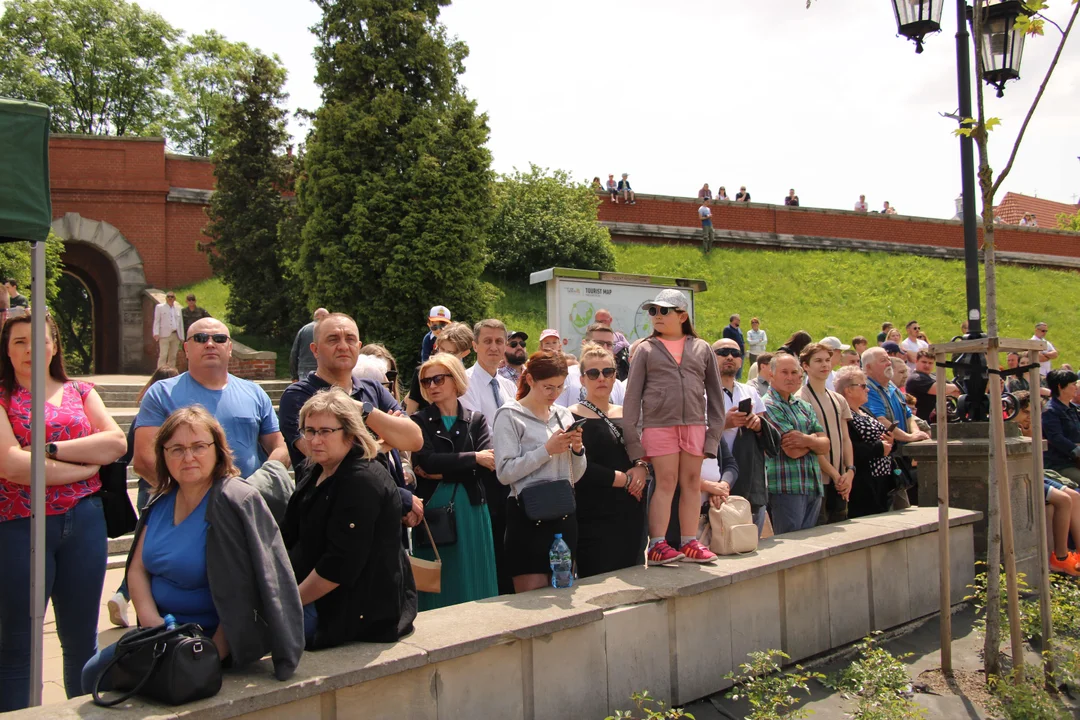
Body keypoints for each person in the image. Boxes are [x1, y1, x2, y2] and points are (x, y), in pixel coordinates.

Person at [82, 407, 304, 694]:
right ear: (163, 455)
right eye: (176, 449)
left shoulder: (235, 500)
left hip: (211, 643)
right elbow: (137, 569)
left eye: (199, 446)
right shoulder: (160, 500)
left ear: (217, 450)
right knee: (93, 674)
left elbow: (249, 591)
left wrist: (210, 653)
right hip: (161, 635)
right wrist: (153, 625)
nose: (188, 457)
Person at [0, 310, 127, 710]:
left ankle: (83, 712)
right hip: (21, 525)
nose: (30, 350)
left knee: (81, 639)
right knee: (18, 641)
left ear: (55, 345)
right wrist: (84, 468)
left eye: (39, 340)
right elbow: (10, 465)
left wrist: (49, 451)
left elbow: (115, 444)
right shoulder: (2, 396)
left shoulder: (82, 391)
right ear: (6, 350)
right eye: (19, 341)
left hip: (84, 523)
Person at [284, 387, 418, 647]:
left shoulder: (362, 480)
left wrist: (286, 602)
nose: (314, 440)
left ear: (350, 433)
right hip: (311, 594)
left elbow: (340, 565)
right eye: (309, 431)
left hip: (350, 610)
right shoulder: (315, 469)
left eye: (325, 431)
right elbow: (288, 532)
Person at [277, 313, 424, 528]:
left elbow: (414, 439)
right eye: (333, 339)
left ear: (359, 345)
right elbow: (324, 457)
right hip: (331, 520)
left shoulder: (373, 390)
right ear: (315, 350)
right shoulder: (298, 396)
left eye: (350, 339)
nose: (343, 346)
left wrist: (363, 411)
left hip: (386, 519)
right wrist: (386, 442)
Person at [623, 289, 723, 565]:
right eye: (652, 311)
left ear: (682, 315)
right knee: (665, 482)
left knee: (691, 483)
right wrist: (634, 442)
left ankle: (690, 542)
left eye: (663, 311)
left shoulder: (702, 348)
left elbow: (715, 397)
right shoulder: (644, 348)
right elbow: (631, 398)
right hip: (658, 425)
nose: (656, 316)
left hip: (695, 426)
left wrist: (713, 437)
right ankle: (657, 545)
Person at [135, 318, 289, 482]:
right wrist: (189, 495)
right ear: (186, 348)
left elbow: (280, 447)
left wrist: (260, 485)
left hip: (246, 501)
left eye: (219, 339)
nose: (209, 344)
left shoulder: (255, 393)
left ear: (229, 348)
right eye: (200, 338)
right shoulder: (161, 393)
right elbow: (145, 460)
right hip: (185, 504)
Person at [410, 353, 499, 607]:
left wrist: (443, 468)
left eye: (438, 379)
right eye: (426, 382)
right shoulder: (419, 421)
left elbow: (488, 465)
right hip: (436, 510)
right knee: (442, 579)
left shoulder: (476, 419)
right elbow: (425, 462)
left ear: (456, 379)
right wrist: (474, 458)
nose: (432, 386)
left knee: (476, 575)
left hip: (472, 507)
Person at [493, 351, 586, 592]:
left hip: (564, 515)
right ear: (530, 380)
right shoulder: (509, 415)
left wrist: (577, 449)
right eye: (547, 387)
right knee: (532, 600)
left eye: (559, 387)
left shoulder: (563, 414)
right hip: (527, 517)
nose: (554, 394)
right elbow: (504, 472)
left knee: (565, 593)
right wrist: (547, 450)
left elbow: (576, 475)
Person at [106, 366, 180, 628]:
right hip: (163, 489)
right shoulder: (169, 414)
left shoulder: (142, 416)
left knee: (144, 550)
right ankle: (126, 595)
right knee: (151, 553)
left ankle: (123, 594)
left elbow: (126, 455)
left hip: (144, 489)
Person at [567, 344, 648, 576]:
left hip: (632, 506)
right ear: (582, 379)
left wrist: (641, 468)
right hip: (593, 510)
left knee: (633, 575)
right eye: (593, 373)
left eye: (608, 372)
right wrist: (622, 479)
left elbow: (644, 451)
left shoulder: (629, 412)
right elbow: (577, 465)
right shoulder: (570, 415)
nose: (601, 378)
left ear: (615, 376)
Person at [459, 318, 519, 593]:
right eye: (487, 341)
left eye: (499, 341)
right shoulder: (465, 383)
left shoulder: (508, 386)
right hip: (485, 474)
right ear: (474, 345)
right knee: (492, 540)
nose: (494, 347)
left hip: (512, 473)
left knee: (510, 542)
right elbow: (477, 431)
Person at [1012, 390, 1080, 575]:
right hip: (1021, 475)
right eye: (1025, 412)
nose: (1029, 418)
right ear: (1012, 410)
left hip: (1037, 473)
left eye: (1032, 413)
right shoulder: (1007, 429)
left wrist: (1032, 434)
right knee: (1064, 500)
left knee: (1074, 495)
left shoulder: (1030, 427)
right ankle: (1061, 557)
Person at [762, 354, 830, 534]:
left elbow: (826, 445)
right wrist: (815, 441)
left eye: (794, 372)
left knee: (808, 543)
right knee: (790, 545)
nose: (790, 377)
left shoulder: (803, 405)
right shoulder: (768, 405)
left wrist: (806, 440)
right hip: (786, 487)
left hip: (812, 484)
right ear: (772, 374)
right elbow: (791, 450)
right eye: (784, 372)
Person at [712, 338, 776, 529]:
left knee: (749, 534)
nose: (730, 357)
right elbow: (692, 434)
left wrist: (757, 424)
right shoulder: (700, 390)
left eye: (735, 353)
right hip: (715, 474)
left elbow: (764, 429)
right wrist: (724, 424)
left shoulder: (750, 391)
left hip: (749, 474)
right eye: (723, 352)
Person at [796, 343, 854, 524]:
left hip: (841, 478)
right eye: (818, 361)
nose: (824, 365)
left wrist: (850, 471)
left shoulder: (838, 398)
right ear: (805, 366)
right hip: (818, 479)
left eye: (828, 360)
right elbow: (810, 443)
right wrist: (835, 474)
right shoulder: (801, 397)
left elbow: (845, 438)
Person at [835, 366, 895, 519]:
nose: (867, 390)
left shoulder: (865, 411)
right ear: (848, 390)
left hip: (882, 480)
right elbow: (848, 446)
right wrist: (879, 448)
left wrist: (889, 441)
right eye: (863, 386)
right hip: (863, 483)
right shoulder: (844, 414)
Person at [407, 321, 473, 414]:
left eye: (450, 353)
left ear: (464, 353)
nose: (443, 355)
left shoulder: (468, 377)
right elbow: (410, 411)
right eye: (441, 349)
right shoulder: (423, 372)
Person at [556, 323, 627, 407]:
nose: (604, 348)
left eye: (609, 344)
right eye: (599, 343)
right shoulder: (566, 376)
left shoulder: (618, 385)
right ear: (584, 343)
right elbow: (559, 414)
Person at [1042, 368, 1080, 484]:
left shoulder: (1073, 409)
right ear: (1060, 386)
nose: (1076, 387)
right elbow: (1056, 438)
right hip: (1061, 465)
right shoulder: (1050, 411)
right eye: (1073, 384)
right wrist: (1077, 450)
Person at [906, 350, 961, 423]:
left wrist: (951, 389)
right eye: (924, 362)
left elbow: (955, 393)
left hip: (943, 420)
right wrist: (955, 387)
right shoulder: (916, 378)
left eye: (930, 363)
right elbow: (940, 389)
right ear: (916, 361)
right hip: (925, 422)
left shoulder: (934, 376)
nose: (927, 365)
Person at [290, 308, 329, 382]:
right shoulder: (328, 329)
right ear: (324, 316)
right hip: (324, 369)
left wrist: (294, 376)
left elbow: (294, 353)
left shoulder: (303, 329)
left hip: (304, 370)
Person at [152, 291, 184, 369]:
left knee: (173, 355)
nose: (170, 298)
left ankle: (170, 373)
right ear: (166, 298)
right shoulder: (160, 307)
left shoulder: (178, 309)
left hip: (175, 334)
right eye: (168, 297)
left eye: (172, 297)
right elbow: (157, 320)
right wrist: (156, 332)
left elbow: (180, 323)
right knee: (163, 355)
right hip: (164, 334)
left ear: (174, 299)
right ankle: (160, 372)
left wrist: (182, 337)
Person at [723, 314, 746, 380]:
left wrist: (744, 351)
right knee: (734, 369)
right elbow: (726, 341)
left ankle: (738, 381)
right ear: (733, 320)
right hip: (733, 353)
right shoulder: (727, 329)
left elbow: (742, 341)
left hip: (741, 352)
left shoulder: (739, 330)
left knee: (739, 369)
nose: (739, 321)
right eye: (738, 319)